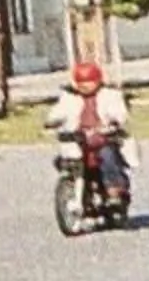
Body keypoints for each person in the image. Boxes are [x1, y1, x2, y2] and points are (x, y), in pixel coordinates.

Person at [48, 57, 133, 205]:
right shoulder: (69, 97)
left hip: (103, 138)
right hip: (78, 139)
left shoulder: (109, 95)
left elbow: (119, 113)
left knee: (107, 156)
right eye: (81, 83)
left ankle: (113, 189)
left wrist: (113, 121)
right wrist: (52, 121)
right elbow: (58, 112)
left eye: (89, 82)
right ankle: (70, 185)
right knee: (65, 159)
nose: (85, 86)